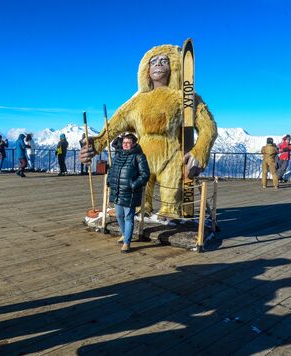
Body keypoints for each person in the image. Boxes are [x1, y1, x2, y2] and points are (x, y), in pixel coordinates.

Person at [79, 44, 217, 218]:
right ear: (146, 69)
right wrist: (94, 145)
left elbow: (208, 127)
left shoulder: (185, 98)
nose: (158, 64)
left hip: (172, 156)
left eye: (164, 61)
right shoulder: (137, 101)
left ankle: (170, 213)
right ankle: (140, 210)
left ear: (173, 66)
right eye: (153, 62)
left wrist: (199, 152)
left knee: (170, 201)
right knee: (138, 200)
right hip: (141, 157)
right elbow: (113, 127)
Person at [107, 133, 150, 253]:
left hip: (130, 192)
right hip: (117, 191)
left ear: (134, 143)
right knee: (119, 215)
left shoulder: (139, 157)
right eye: (124, 142)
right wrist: (109, 180)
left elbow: (145, 174)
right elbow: (111, 169)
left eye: (128, 143)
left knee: (128, 217)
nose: (125, 145)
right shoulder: (119, 155)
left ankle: (127, 242)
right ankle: (125, 234)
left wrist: (134, 184)